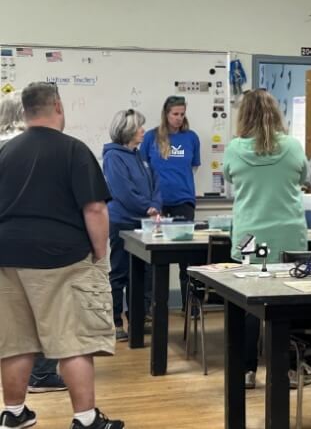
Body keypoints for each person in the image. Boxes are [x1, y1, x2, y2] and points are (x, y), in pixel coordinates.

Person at [0, 82, 123, 428]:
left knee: (15, 341)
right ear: (57, 105)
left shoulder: (5, 153)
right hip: (62, 258)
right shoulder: (73, 150)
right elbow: (95, 208)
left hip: (7, 255)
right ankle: (85, 419)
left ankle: (13, 413)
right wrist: (100, 253)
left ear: (25, 111)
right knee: (73, 340)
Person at [223, 90, 308, 389]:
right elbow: (303, 177)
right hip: (288, 236)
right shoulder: (293, 146)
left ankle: (247, 370)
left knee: (248, 304)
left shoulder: (234, 149)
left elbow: (230, 177)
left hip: (250, 236)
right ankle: (289, 370)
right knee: (291, 303)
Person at [0, 91, 68, 394]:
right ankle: (41, 374)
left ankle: (16, 395)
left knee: (12, 323)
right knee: (39, 312)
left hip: (6, 244)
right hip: (39, 245)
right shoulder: (37, 148)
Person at [103, 109, 162, 341]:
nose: (143, 131)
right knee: (120, 272)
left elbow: (156, 182)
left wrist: (155, 205)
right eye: (139, 127)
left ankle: (138, 319)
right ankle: (116, 322)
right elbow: (123, 192)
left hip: (144, 224)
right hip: (122, 222)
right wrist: (148, 207)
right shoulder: (113, 157)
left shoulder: (138, 155)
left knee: (143, 273)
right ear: (127, 130)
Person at [140, 95, 200, 301]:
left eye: (182, 114)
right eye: (175, 114)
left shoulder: (191, 137)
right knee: (154, 256)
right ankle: (152, 305)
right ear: (166, 114)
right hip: (157, 202)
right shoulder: (151, 137)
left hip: (183, 201)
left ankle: (189, 305)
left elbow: (194, 167)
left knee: (187, 257)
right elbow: (143, 169)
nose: (179, 118)